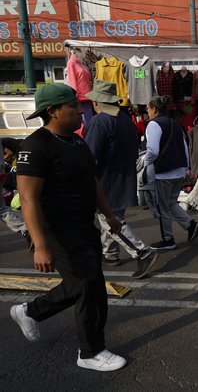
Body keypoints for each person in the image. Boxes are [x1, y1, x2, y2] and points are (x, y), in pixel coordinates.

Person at [11, 83, 126, 371]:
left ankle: (29, 311)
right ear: (52, 112)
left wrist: (109, 216)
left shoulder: (77, 141)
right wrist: (40, 245)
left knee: (82, 283)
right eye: (73, 106)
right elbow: (27, 198)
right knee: (90, 286)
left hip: (83, 226)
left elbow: (93, 181)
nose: (80, 110)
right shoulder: (35, 146)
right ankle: (91, 352)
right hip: (55, 231)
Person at [83, 79, 158, 278]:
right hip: (124, 177)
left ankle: (142, 253)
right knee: (114, 218)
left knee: (110, 220)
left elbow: (89, 157)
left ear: (96, 102)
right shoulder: (126, 120)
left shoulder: (99, 121)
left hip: (105, 180)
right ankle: (110, 254)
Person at [140, 95, 198, 250]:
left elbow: (152, 151)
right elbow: (184, 147)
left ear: (154, 109)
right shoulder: (173, 122)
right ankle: (190, 225)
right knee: (171, 202)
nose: (147, 111)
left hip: (164, 171)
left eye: (147, 108)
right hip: (179, 170)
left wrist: (142, 164)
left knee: (163, 206)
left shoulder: (153, 124)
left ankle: (168, 239)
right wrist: (186, 168)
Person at [1, 139, 33, 250]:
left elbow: (9, 153)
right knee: (1, 208)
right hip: (1, 173)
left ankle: (26, 230)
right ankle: (26, 230)